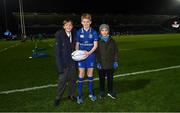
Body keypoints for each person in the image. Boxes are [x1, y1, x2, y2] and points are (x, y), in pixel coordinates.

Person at [75, 13, 98, 104]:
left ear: (90, 22)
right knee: (81, 73)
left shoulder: (94, 32)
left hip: (90, 55)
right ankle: (79, 95)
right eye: (84, 22)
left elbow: (95, 45)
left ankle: (91, 93)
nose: (86, 23)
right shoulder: (78, 32)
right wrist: (78, 53)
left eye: (87, 22)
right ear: (81, 22)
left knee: (90, 73)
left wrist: (89, 53)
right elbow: (77, 44)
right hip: (81, 56)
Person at [54, 19, 77, 106]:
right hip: (64, 64)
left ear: (72, 26)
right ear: (64, 26)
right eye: (67, 25)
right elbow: (57, 53)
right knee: (62, 82)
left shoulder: (74, 34)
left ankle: (71, 95)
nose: (68, 26)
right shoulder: (59, 35)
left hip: (73, 63)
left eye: (70, 25)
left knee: (73, 80)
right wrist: (60, 67)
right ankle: (58, 97)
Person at [96, 24, 119, 99]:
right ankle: (102, 91)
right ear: (100, 31)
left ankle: (110, 92)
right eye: (102, 30)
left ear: (108, 31)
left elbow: (116, 52)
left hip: (110, 63)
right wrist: (98, 62)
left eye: (106, 30)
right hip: (101, 64)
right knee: (101, 79)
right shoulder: (98, 41)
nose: (104, 32)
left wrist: (115, 61)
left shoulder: (112, 40)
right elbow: (96, 53)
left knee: (110, 79)